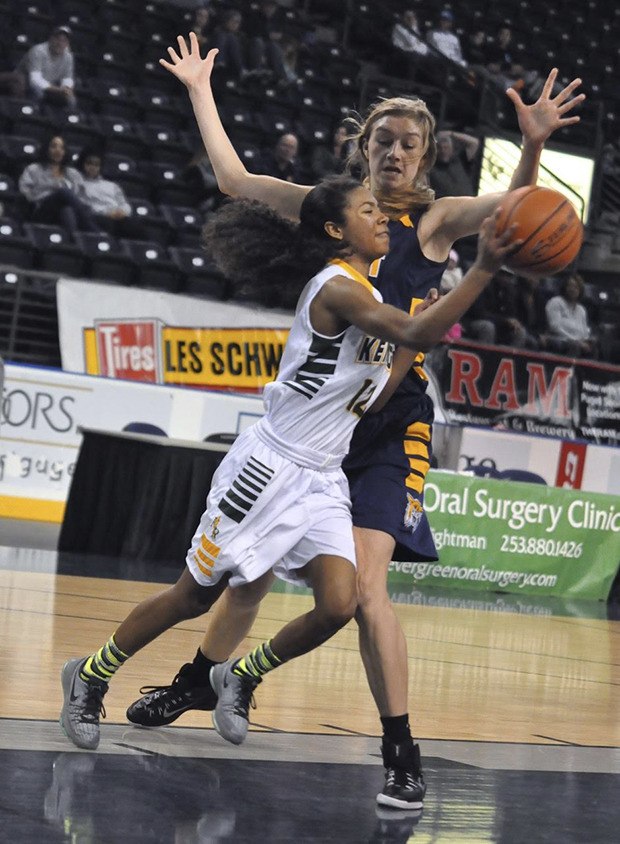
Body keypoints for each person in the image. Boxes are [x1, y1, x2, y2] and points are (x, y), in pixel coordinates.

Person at [134, 33, 584, 811]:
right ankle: (197, 684)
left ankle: (400, 751)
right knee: (248, 575)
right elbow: (236, 178)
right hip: (313, 425)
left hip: (388, 428)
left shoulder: (438, 221)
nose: (396, 151)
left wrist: (532, 145)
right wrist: (201, 89)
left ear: (429, 154)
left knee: (365, 592)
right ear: (363, 146)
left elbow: (517, 215)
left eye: (411, 142)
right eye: (383, 139)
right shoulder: (333, 212)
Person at [60, 175, 519, 764]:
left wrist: (411, 346)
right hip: (269, 467)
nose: (383, 219)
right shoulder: (336, 287)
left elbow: (377, 397)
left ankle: (242, 674)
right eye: (368, 211)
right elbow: (410, 329)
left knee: (338, 604)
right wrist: (481, 269)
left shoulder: (371, 297)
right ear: (335, 230)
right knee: (193, 598)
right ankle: (91, 674)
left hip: (324, 477)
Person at [18, 134, 101, 238]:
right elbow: (25, 192)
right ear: (46, 149)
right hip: (42, 210)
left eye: (62, 148)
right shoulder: (34, 169)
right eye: (54, 146)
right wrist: (49, 194)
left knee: (67, 209)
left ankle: (73, 241)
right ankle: (95, 232)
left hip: (70, 211)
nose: (58, 150)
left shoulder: (73, 173)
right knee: (63, 192)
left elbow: (82, 195)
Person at [75, 148, 148, 241]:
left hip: (119, 217)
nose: (93, 167)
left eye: (96, 164)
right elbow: (84, 206)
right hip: (99, 217)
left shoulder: (112, 185)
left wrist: (122, 212)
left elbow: (124, 204)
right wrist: (107, 213)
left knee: (137, 225)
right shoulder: (79, 184)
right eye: (89, 163)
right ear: (83, 164)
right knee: (107, 224)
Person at [13, 25, 76, 109]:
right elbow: (35, 81)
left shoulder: (68, 56)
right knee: (38, 93)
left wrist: (67, 89)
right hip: (24, 83)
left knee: (71, 100)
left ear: (67, 44)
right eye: (57, 39)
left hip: (50, 86)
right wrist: (58, 90)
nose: (60, 43)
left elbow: (67, 78)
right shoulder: (38, 51)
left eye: (64, 41)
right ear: (51, 39)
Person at [544, 272, 597, 358]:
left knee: (594, 347)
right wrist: (576, 342)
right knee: (574, 346)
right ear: (565, 287)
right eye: (570, 286)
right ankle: (569, 370)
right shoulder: (556, 302)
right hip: (558, 339)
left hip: (578, 342)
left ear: (580, 290)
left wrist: (588, 341)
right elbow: (554, 327)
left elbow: (584, 333)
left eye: (576, 287)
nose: (573, 289)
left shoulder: (581, 310)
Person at [429, 130, 480, 199]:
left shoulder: (460, 159)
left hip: (470, 205)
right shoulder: (430, 168)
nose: (443, 151)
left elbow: (474, 142)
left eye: (446, 147)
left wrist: (451, 134)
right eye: (439, 148)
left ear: (451, 148)